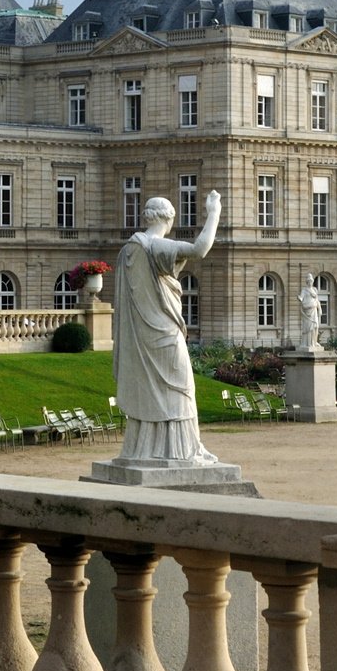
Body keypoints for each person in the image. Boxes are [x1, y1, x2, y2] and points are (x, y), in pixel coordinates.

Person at [111, 189, 222, 465]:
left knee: (154, 390)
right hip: (166, 335)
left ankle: (145, 448)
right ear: (168, 219)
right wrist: (214, 212)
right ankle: (184, 450)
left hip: (143, 336)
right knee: (182, 390)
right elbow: (200, 248)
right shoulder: (158, 247)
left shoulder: (129, 250)